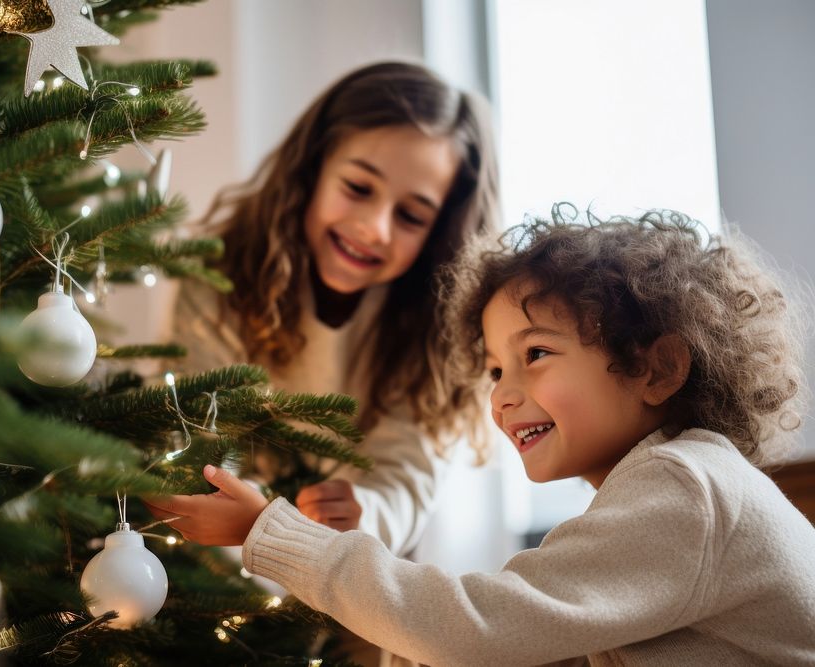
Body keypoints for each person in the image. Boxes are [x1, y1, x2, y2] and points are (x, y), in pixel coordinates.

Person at [149, 206, 815, 666]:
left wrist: (271, 530)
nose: (501, 393)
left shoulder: (682, 489)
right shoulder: (671, 489)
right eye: (496, 367)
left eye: (536, 354)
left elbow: (475, 626)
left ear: (657, 366)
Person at [168, 61, 499, 556]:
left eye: (410, 215)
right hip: (214, 580)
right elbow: (198, 426)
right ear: (312, 168)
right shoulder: (223, 275)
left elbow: (407, 472)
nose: (374, 228)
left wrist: (365, 513)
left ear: (440, 231)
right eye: (358, 188)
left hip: (358, 576)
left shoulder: (434, 325)